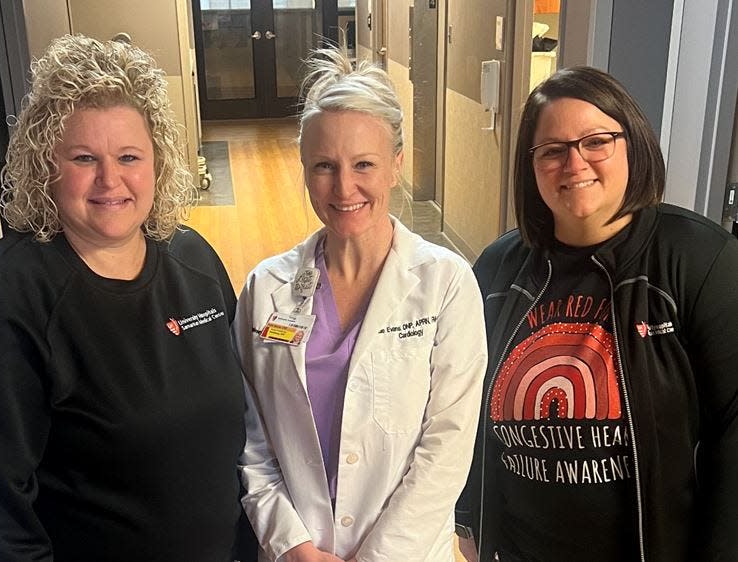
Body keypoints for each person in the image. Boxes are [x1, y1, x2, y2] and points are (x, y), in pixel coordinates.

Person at [0, 34, 253, 561]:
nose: (111, 180)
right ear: (47, 166)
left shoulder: (193, 260)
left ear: (156, 162)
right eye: (84, 157)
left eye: (129, 156)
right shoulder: (9, 296)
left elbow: (243, 433)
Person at [455, 66, 738, 561]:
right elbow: (462, 410)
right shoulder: (499, 270)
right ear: (531, 166)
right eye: (553, 150)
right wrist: (468, 518)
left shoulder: (698, 259)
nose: (574, 163)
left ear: (633, 144)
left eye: (596, 141)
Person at [233, 47, 488, 561]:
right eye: (324, 165)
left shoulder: (446, 284)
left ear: (396, 165)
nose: (344, 187)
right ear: (304, 170)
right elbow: (249, 436)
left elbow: (447, 448)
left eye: (364, 164)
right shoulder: (266, 287)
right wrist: (293, 545)